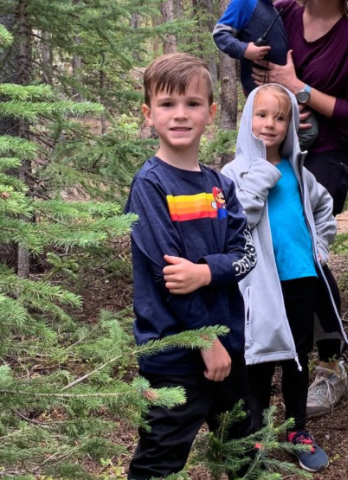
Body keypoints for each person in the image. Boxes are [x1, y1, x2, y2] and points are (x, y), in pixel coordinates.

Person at [125, 53, 257, 480]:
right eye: (167, 104)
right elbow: (168, 277)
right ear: (148, 115)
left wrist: (204, 271)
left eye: (193, 103)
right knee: (160, 459)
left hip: (230, 347)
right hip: (174, 356)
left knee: (241, 448)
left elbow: (247, 255)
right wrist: (204, 339)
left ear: (212, 113)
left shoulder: (221, 186)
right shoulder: (151, 185)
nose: (180, 114)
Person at [252, 0, 348, 419]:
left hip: (326, 154)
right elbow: (251, 59)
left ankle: (329, 362)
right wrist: (262, 78)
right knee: (268, 247)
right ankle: (266, 355)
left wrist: (298, 86)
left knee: (304, 249)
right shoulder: (282, 12)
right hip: (274, 149)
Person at [221, 84, 340, 473]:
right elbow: (238, 225)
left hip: (302, 277)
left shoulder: (297, 169)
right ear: (247, 119)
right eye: (262, 115)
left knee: (297, 358)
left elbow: (323, 208)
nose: (269, 124)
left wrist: (319, 247)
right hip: (260, 285)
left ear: (290, 123)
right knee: (257, 357)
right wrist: (259, 179)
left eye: (279, 116)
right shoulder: (233, 173)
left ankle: (297, 430)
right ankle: (256, 431)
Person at [213, 0, 319, 150]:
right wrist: (245, 50)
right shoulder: (245, 3)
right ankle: (271, 163)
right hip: (262, 86)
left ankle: (274, 162)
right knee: (307, 131)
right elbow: (220, 33)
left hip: (281, 85)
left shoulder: (271, 8)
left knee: (298, 129)